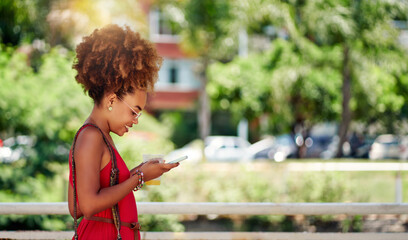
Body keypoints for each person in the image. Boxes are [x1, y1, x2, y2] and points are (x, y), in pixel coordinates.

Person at [67, 24, 179, 240]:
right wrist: (138, 177)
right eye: (134, 112)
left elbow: (77, 205)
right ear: (111, 99)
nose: (136, 121)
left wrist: (140, 173)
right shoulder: (91, 137)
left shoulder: (100, 136)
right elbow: (87, 206)